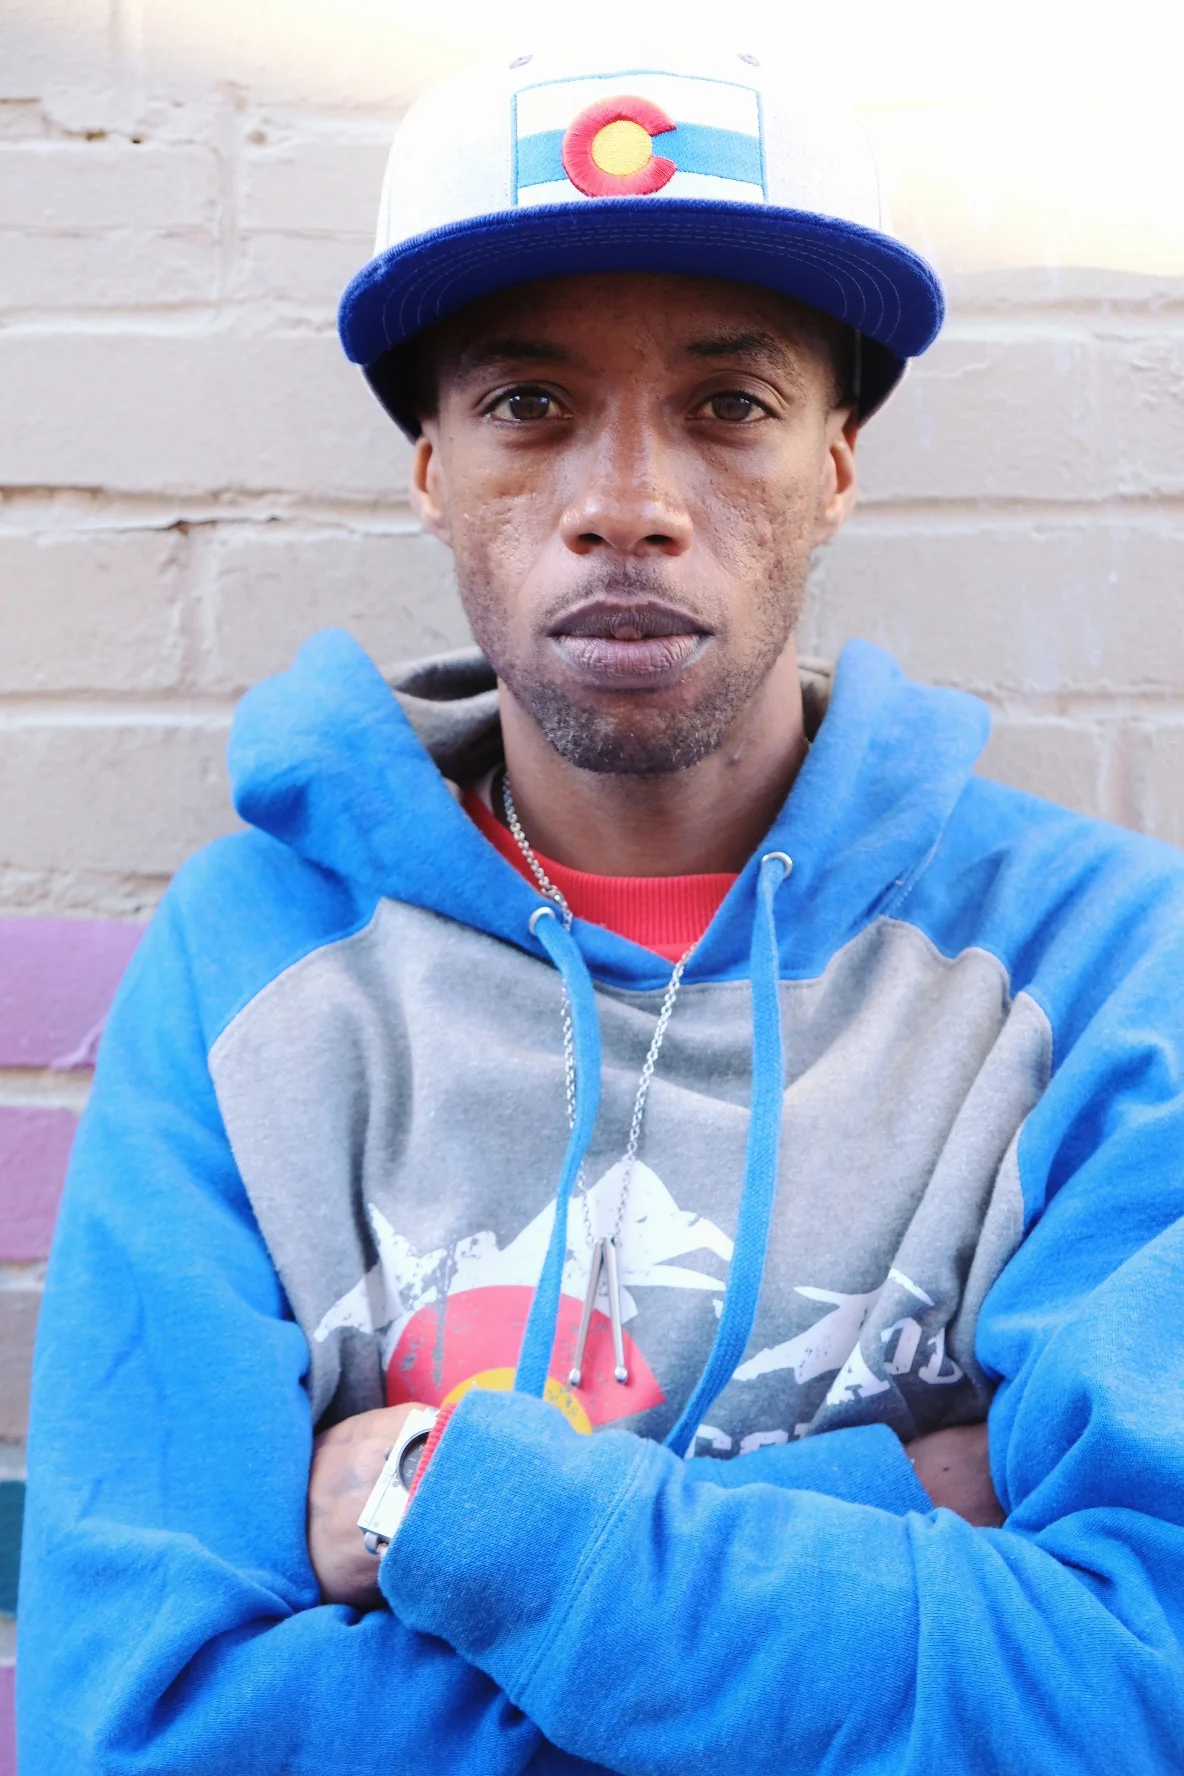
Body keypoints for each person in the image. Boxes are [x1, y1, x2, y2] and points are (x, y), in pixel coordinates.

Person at [18, 40, 1184, 1776]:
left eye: (730, 407)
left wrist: (444, 1511)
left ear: (837, 466)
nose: (625, 506)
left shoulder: (1104, 962)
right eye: (528, 405)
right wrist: (896, 1505)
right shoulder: (255, 960)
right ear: (432, 468)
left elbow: (1135, 1684)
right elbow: (137, 1729)